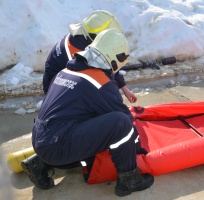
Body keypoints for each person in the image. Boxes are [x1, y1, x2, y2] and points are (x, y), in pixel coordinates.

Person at [21, 28, 154, 196]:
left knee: (98, 125)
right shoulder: (100, 83)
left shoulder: (68, 70)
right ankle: (129, 180)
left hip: (41, 139)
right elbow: (125, 123)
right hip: (56, 146)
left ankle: (39, 163)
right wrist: (137, 149)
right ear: (114, 59)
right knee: (120, 123)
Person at [43, 10, 137, 103]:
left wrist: (124, 88)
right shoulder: (76, 53)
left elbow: (106, 64)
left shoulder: (80, 36)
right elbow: (101, 80)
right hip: (57, 93)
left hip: (63, 83)